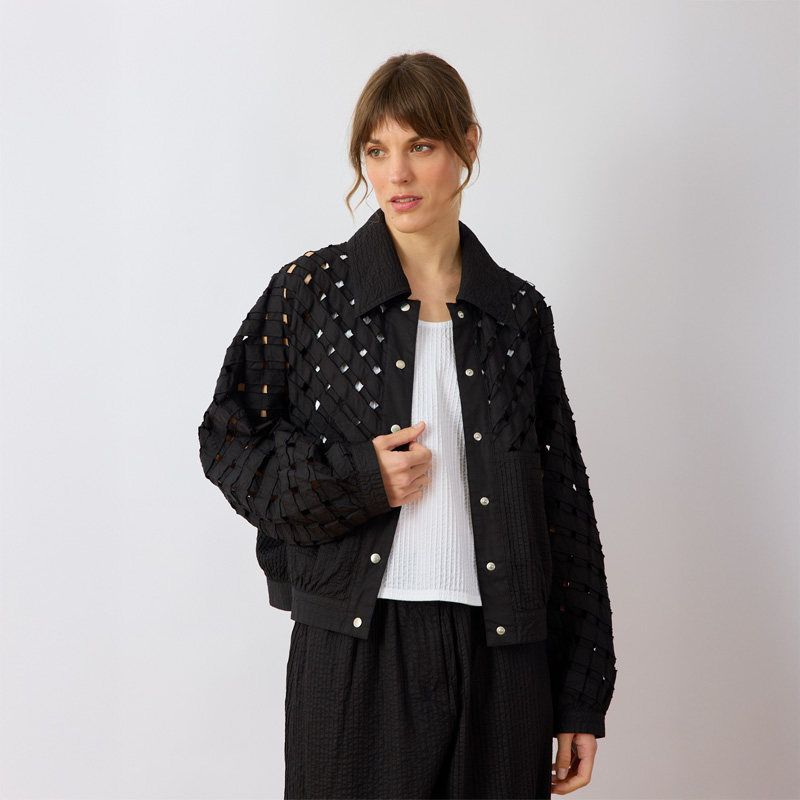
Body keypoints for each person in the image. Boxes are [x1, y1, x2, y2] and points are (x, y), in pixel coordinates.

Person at [198, 51, 617, 800]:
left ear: (467, 146)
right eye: (376, 150)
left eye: (420, 145)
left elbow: (563, 505)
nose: (396, 174)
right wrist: (359, 480)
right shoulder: (310, 294)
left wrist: (580, 695)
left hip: (503, 660)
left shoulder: (518, 314)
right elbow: (228, 442)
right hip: (355, 653)